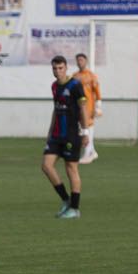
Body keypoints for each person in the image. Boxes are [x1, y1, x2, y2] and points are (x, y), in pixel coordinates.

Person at [41, 55, 88, 219]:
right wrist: (49, 132)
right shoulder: (54, 86)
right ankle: (66, 201)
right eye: (54, 68)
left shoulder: (75, 85)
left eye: (60, 68)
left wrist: (85, 132)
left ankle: (75, 209)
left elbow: (83, 109)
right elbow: (56, 109)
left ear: (66, 68)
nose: (57, 71)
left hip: (71, 134)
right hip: (56, 134)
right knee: (46, 166)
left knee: (71, 169)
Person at [73, 53, 103, 164]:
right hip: (78, 106)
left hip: (88, 106)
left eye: (81, 60)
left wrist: (98, 106)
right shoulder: (74, 76)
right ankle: (92, 151)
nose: (80, 62)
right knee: (82, 129)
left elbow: (97, 91)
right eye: (78, 60)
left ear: (86, 61)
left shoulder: (91, 76)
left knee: (88, 128)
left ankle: (88, 154)